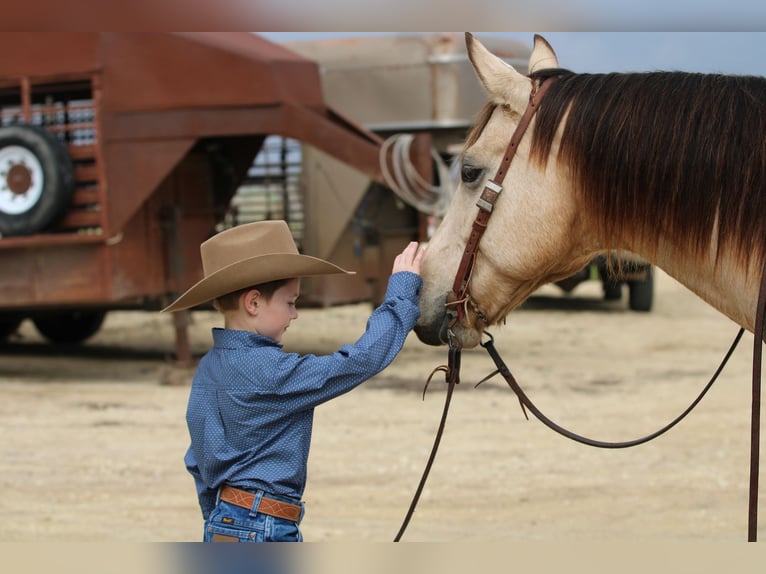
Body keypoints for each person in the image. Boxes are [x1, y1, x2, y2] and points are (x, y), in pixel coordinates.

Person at [162, 219, 424, 542]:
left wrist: (220, 520)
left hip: (223, 521)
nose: (295, 315)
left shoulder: (208, 369)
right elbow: (358, 362)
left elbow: (197, 461)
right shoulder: (272, 372)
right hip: (266, 525)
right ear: (253, 303)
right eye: (290, 302)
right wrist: (400, 295)